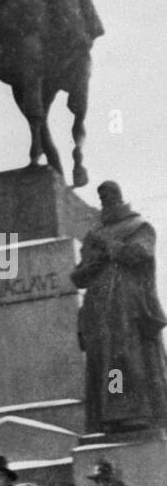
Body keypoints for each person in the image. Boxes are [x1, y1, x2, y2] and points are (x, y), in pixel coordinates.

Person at [71, 181, 167, 434]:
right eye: (101, 197)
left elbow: (139, 254)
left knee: (124, 358)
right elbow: (78, 276)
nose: (105, 200)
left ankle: (128, 411)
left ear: (119, 197)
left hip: (127, 305)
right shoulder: (94, 235)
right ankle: (111, 412)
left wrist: (110, 247)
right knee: (107, 361)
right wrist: (95, 261)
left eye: (109, 195)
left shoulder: (139, 227)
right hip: (99, 308)